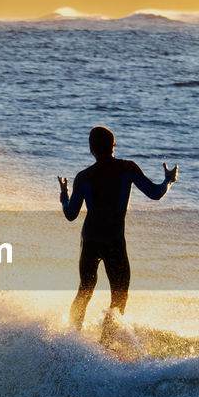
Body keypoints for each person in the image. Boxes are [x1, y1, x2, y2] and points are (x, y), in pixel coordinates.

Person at [59, 125, 177, 331]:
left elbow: (70, 215)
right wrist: (169, 180)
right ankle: (107, 345)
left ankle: (71, 340)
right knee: (119, 296)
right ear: (114, 145)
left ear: (91, 149)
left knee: (84, 291)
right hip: (114, 242)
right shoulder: (127, 168)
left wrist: (64, 195)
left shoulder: (83, 177)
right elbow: (156, 193)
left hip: (90, 241)